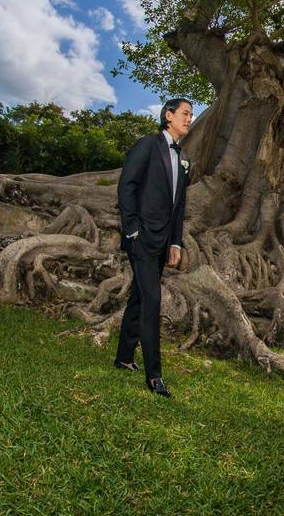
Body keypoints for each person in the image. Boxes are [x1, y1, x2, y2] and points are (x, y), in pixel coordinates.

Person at [113, 98, 193, 398]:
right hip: (142, 238)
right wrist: (132, 230)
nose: (189, 119)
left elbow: (178, 206)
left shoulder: (183, 159)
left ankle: (123, 357)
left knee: (139, 297)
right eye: (185, 114)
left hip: (163, 241)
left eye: (191, 115)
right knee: (152, 300)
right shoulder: (147, 145)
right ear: (168, 115)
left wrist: (175, 242)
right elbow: (127, 186)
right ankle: (154, 375)